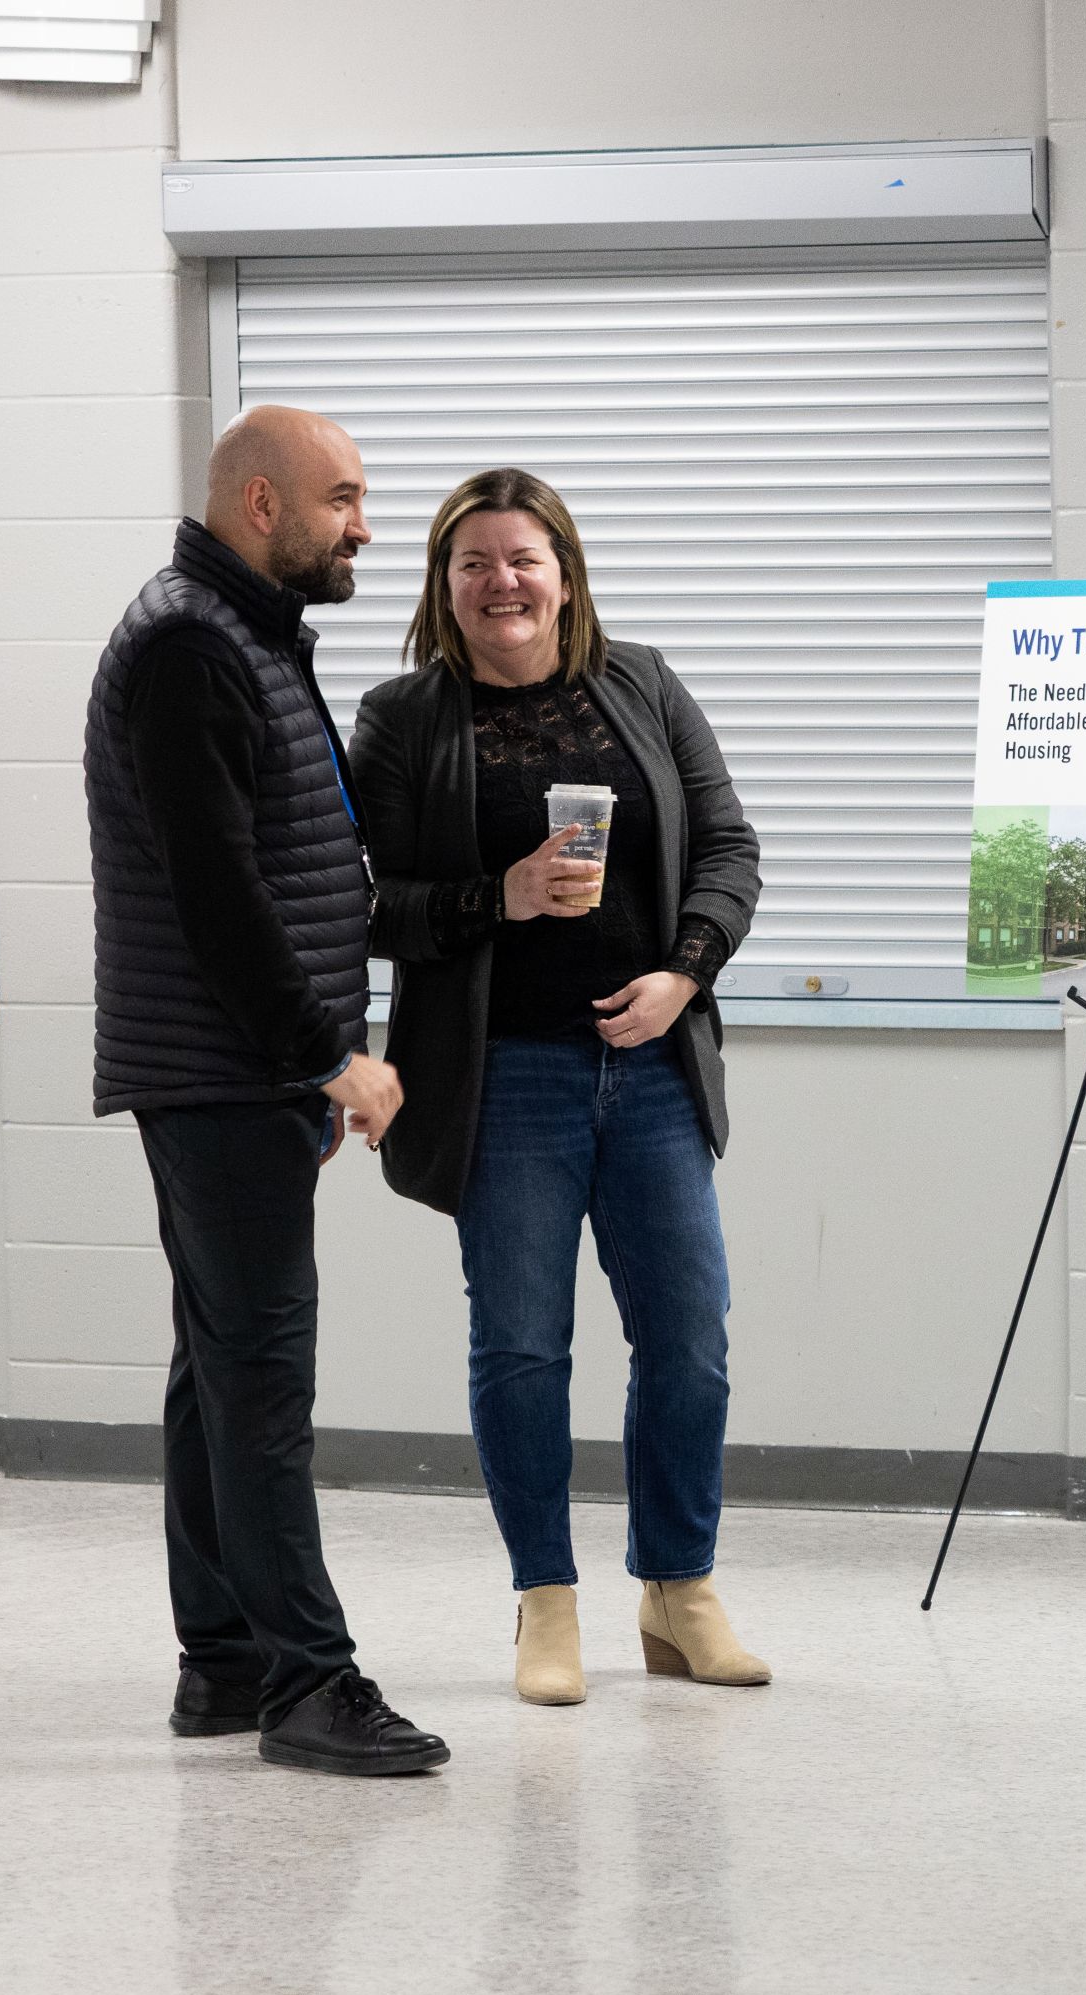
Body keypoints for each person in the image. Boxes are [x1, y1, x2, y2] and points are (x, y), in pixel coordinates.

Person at [350, 470, 768, 1708]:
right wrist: (501, 897)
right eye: (471, 562)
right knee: (524, 1348)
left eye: (522, 557)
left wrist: (682, 976)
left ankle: (678, 1593)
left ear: (565, 573)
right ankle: (546, 1600)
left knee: (689, 1343)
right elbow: (362, 903)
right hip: (504, 1081)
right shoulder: (401, 718)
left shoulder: (640, 683)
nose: (500, 581)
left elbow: (731, 849)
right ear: (443, 587)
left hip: (648, 1070)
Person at [84, 404, 447, 1780]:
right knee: (260, 1380)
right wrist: (327, 1056)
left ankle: (224, 1663)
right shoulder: (190, 646)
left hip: (236, 1074)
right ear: (259, 505)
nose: (365, 525)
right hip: (226, 1072)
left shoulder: (239, 635)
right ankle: (309, 1682)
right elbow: (218, 893)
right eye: (344, 499)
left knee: (216, 1369)